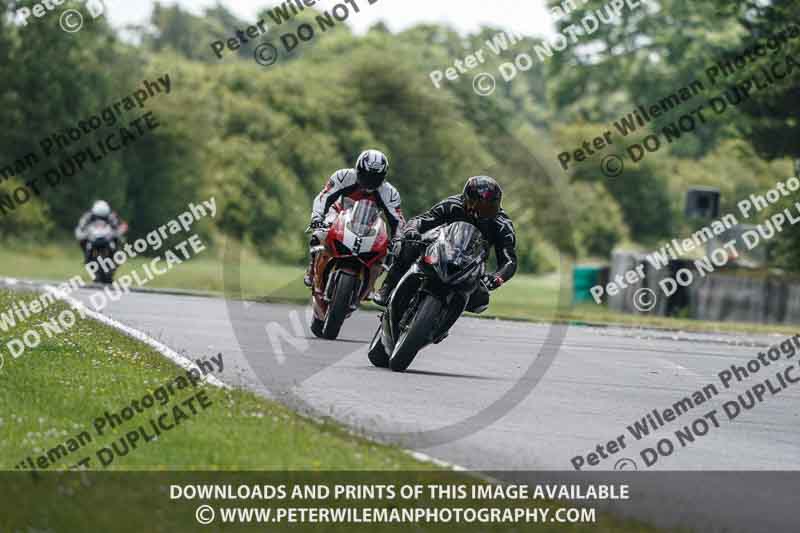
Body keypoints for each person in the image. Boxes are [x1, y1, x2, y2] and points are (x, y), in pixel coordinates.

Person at [372, 176, 517, 310]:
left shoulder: (502, 224)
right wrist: (412, 230)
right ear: (466, 199)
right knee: (410, 245)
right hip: (440, 250)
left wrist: (497, 278)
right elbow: (422, 220)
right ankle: (388, 286)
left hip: (471, 267)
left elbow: (509, 261)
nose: (482, 212)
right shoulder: (453, 204)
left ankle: (443, 319)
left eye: (490, 207)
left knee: (481, 300)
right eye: (479, 205)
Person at [304, 149, 404, 287]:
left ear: (383, 176)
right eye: (366, 175)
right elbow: (324, 197)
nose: (369, 182)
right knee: (319, 234)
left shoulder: (389, 193)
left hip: (370, 224)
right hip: (339, 213)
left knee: (388, 253)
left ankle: (371, 285)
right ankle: (312, 267)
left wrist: (398, 239)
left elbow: (398, 220)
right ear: (358, 169)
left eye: (375, 178)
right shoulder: (343, 176)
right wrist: (317, 218)